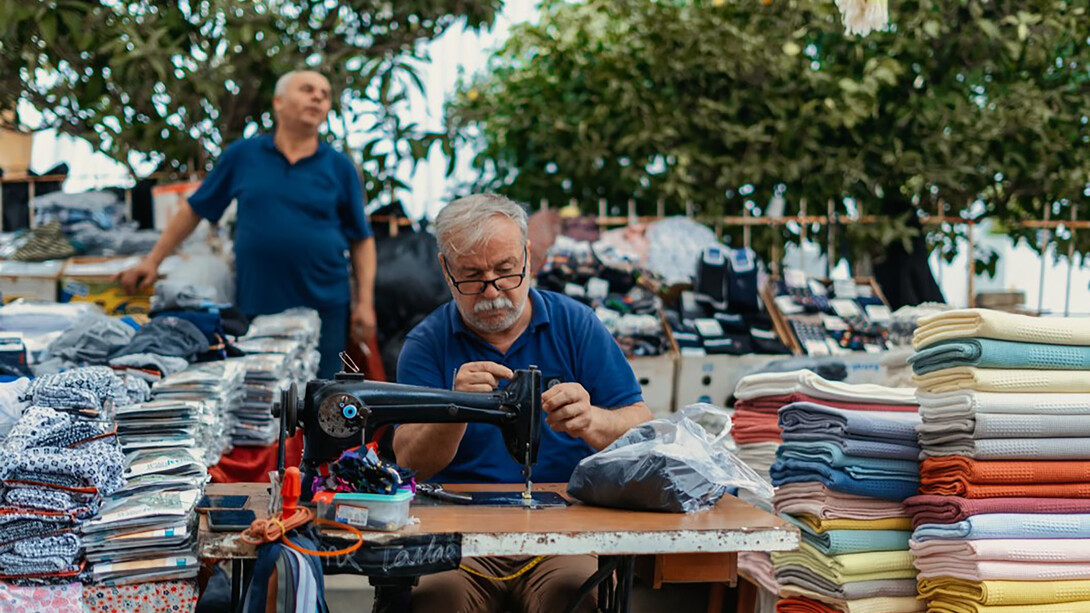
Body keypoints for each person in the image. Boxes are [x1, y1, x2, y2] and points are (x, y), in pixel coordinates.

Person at [394, 193, 653, 613]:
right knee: (434, 603)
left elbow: (641, 429)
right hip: (461, 538)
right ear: (445, 270)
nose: (493, 292)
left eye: (505, 272)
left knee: (576, 600)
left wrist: (591, 420)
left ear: (528, 257)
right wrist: (454, 409)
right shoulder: (427, 344)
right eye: (473, 277)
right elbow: (409, 462)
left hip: (562, 537)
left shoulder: (577, 325)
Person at [117, 70, 376, 378]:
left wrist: (365, 303)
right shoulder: (243, 156)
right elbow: (194, 209)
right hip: (258, 303)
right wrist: (152, 260)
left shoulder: (339, 166)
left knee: (322, 400)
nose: (319, 97)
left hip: (326, 306)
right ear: (278, 102)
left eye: (325, 93)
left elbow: (362, 239)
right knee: (263, 399)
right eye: (308, 89)